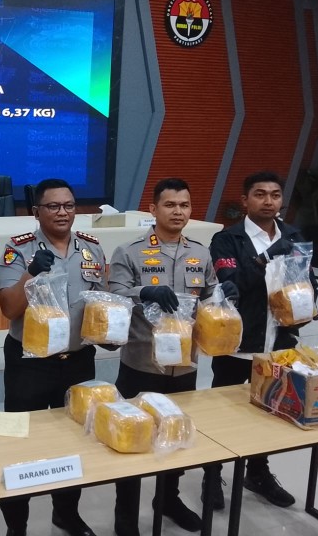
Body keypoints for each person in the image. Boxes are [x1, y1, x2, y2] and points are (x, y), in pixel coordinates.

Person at [109, 178, 236, 536]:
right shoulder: (129, 251)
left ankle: (168, 499)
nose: (178, 211)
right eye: (170, 205)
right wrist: (144, 291)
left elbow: (209, 297)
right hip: (140, 365)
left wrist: (223, 294)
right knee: (131, 440)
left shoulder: (201, 253)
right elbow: (113, 295)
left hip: (184, 366)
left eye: (184, 205)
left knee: (176, 435)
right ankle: (125, 513)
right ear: (153, 209)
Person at [201, 171, 318, 510]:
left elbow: (308, 280)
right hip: (236, 345)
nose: (269, 201)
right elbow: (231, 282)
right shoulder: (228, 239)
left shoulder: (294, 237)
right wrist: (267, 257)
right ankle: (212, 474)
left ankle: (258, 473)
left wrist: (307, 305)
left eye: (275, 195)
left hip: (279, 343)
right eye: (260, 194)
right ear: (245, 200)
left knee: (270, 410)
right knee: (222, 414)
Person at [0, 178, 105, 536]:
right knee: (20, 442)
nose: (62, 212)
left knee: (74, 438)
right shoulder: (18, 249)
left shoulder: (92, 248)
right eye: (53, 206)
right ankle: (17, 525)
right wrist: (31, 272)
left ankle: (66, 514)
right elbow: (9, 309)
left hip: (78, 360)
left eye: (69, 205)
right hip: (29, 363)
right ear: (36, 211)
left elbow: (100, 305)